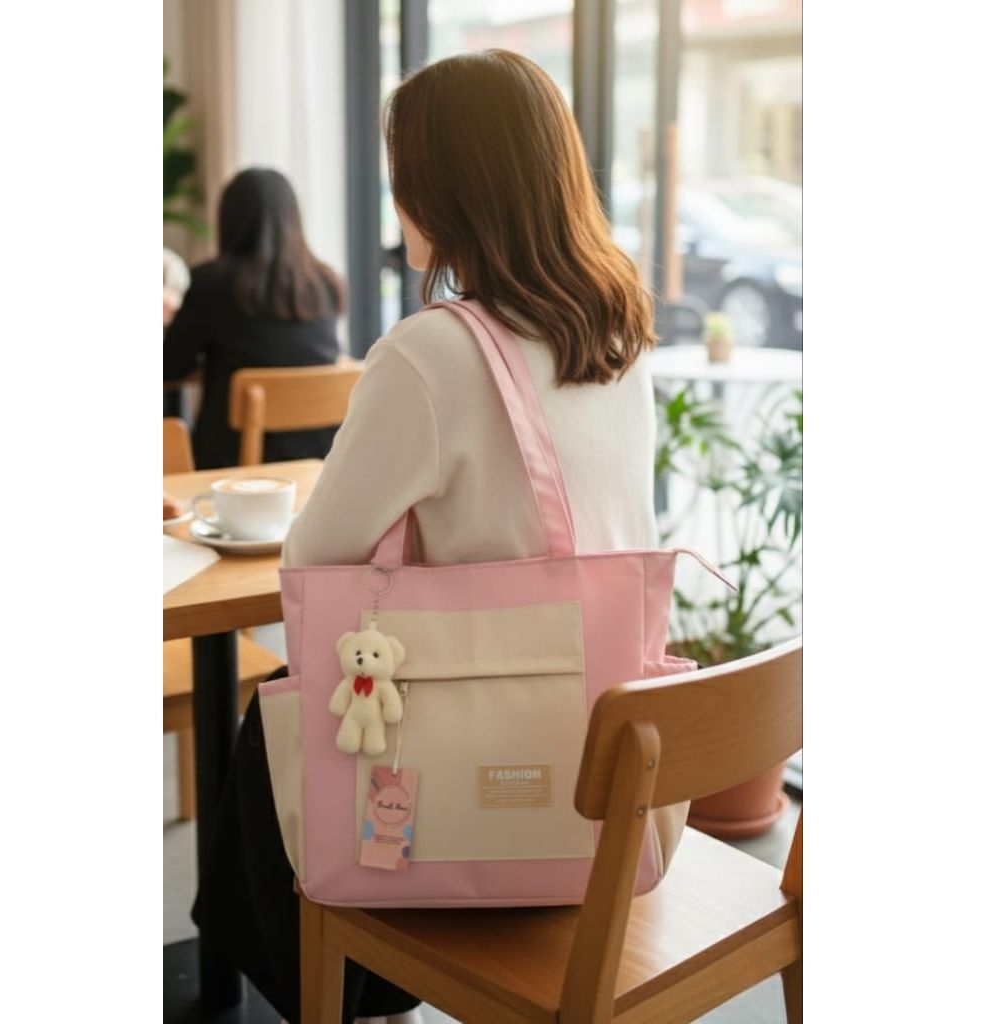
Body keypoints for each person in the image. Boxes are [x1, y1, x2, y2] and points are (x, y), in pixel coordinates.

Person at [192, 50, 685, 1024]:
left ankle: (345, 991)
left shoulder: (433, 351)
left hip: (486, 802)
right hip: (613, 794)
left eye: (402, 175)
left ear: (443, 188)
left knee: (282, 723)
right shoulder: (619, 332)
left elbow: (312, 565)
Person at [163, 167, 348, 469]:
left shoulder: (212, 283)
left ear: (230, 220)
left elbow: (168, 367)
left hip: (232, 468)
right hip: (317, 463)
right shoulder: (326, 282)